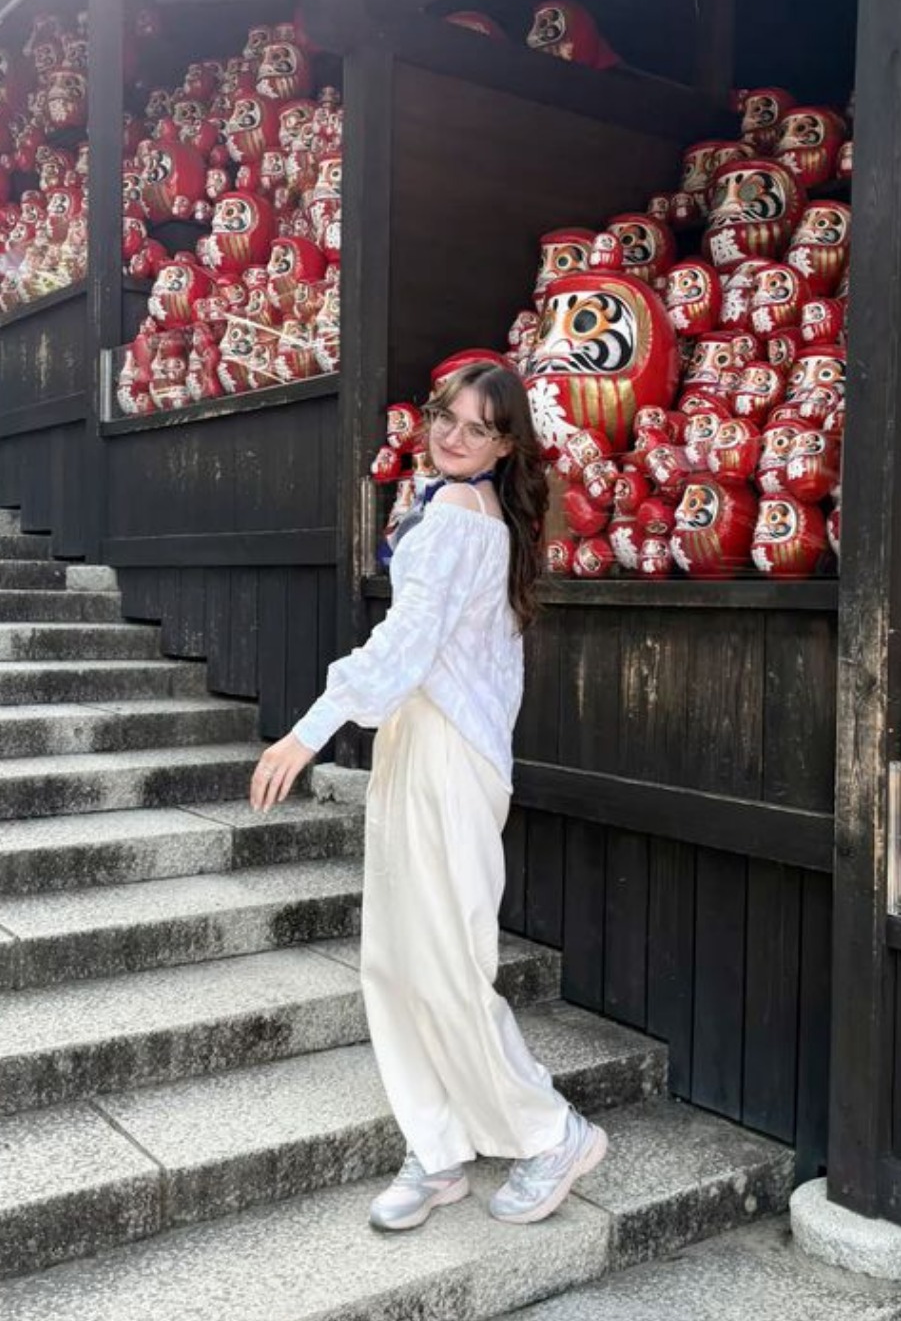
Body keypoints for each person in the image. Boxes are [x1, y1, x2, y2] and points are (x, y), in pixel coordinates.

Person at [250, 360, 607, 1231]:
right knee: (400, 957)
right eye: (447, 415)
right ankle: (437, 1144)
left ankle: (550, 1132)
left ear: (506, 444)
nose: (452, 435)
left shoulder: (457, 518)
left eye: (477, 428)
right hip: (426, 742)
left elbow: (404, 644)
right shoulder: (470, 509)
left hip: (446, 752)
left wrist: (308, 731)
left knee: (441, 961)